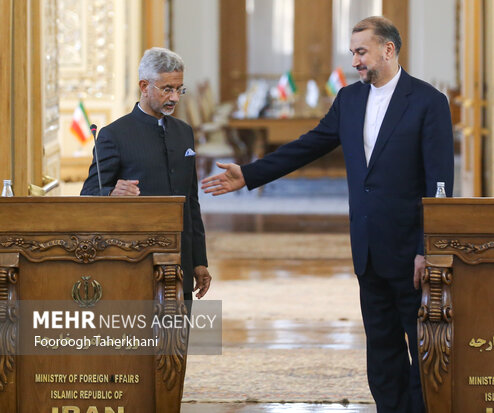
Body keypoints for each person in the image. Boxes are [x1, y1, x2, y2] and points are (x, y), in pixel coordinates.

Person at [202, 16, 453, 413]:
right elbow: (308, 145)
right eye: (353, 52)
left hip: (411, 254)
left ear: (388, 50)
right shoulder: (349, 100)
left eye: (361, 52)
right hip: (367, 249)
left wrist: (429, 248)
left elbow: (440, 182)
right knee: (382, 353)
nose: (355, 61)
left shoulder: (428, 102)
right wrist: (250, 173)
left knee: (423, 349)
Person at [81, 47, 211, 302]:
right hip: (135, 264)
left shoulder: (184, 132)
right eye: (167, 89)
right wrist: (111, 192)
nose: (175, 97)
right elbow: (88, 193)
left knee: (177, 339)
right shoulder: (113, 135)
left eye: (179, 89)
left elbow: (191, 201)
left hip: (180, 261)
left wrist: (199, 260)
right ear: (144, 86)